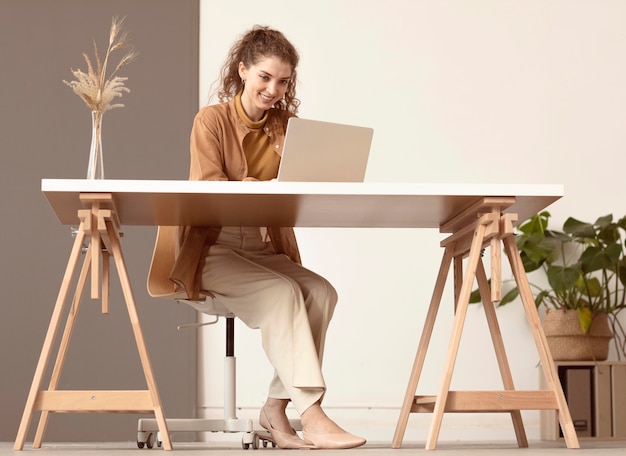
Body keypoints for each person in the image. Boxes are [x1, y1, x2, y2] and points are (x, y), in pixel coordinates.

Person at [167, 25, 366, 450]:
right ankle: (312, 415)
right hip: (214, 248)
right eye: (264, 77)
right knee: (282, 294)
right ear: (243, 71)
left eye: (283, 81)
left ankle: (274, 410)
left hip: (262, 246)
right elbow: (208, 192)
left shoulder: (286, 128)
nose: (273, 89)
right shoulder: (211, 121)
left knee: (321, 293)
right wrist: (261, 182)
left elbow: (299, 188)